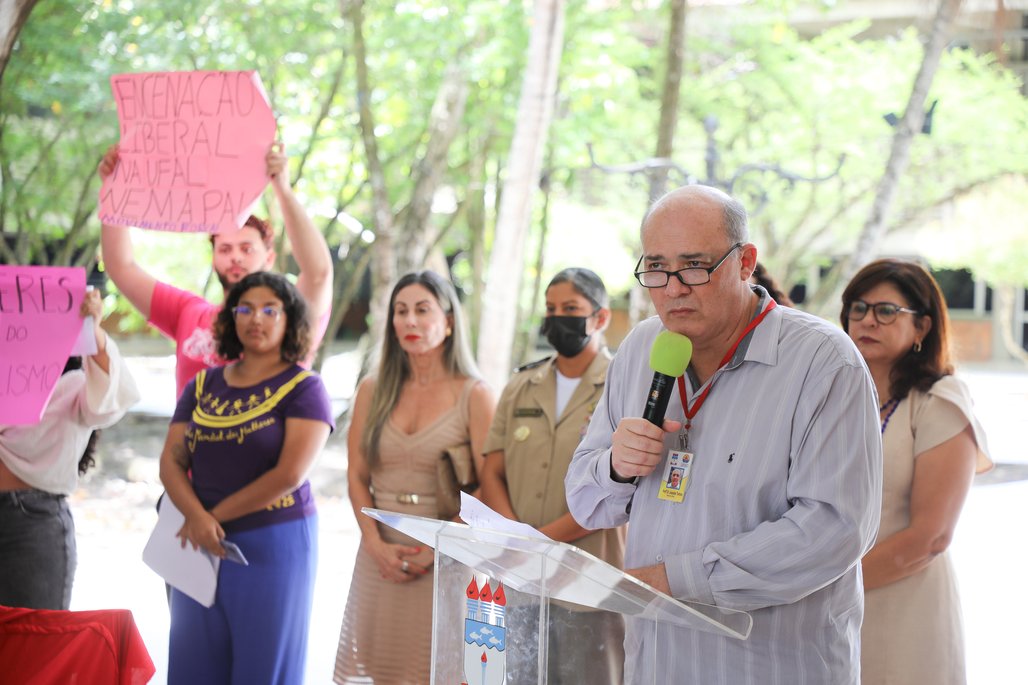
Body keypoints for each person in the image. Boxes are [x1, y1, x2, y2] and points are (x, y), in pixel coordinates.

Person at [565, 185, 883, 684]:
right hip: (655, 661)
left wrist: (677, 579)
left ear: (745, 262)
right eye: (656, 268)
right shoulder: (640, 348)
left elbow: (836, 529)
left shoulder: (824, 363)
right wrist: (614, 467)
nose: (672, 289)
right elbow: (586, 501)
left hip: (770, 667)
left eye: (694, 266)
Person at [158, 272, 334, 685]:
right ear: (231, 318)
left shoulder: (305, 388)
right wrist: (197, 519)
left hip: (272, 544)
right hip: (195, 541)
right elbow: (170, 460)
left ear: (290, 319)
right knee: (191, 666)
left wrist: (209, 518)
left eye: (270, 309)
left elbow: (289, 474)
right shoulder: (203, 384)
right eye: (246, 308)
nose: (257, 318)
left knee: (263, 670)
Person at [334, 271, 495, 685]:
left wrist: (440, 546)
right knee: (377, 669)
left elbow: (488, 488)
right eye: (400, 311)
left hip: (448, 558)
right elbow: (355, 474)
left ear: (449, 321)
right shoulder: (373, 389)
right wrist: (372, 543)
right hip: (378, 556)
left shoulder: (474, 394)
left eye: (422, 310)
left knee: (438, 671)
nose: (410, 321)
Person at [841, 258, 992, 685]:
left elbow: (932, 537)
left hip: (904, 604)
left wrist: (821, 587)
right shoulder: (837, 399)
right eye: (858, 308)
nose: (868, 320)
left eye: (886, 311)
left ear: (922, 327)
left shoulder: (939, 401)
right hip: (832, 612)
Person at [480, 267, 626, 684]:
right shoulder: (522, 385)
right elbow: (493, 467)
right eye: (550, 308)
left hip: (588, 576)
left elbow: (620, 490)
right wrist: (513, 533)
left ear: (599, 318)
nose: (557, 317)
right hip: (519, 571)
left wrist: (540, 541)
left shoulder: (620, 385)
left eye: (571, 308)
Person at [98, 142, 333, 396]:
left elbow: (319, 273)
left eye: (247, 249)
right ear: (213, 259)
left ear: (270, 258)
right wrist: (114, 190)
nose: (235, 257)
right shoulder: (188, 313)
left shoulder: (290, 317)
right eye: (225, 249)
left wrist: (283, 191)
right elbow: (120, 266)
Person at [0, 288, 140, 609]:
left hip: (32, 526)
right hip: (31, 524)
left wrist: (94, 331)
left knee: (34, 646)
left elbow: (109, 392)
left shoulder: (75, 386)